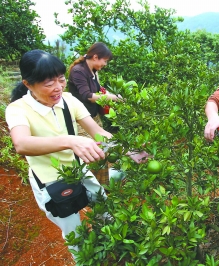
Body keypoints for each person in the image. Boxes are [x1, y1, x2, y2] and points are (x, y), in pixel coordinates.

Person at [5, 50, 146, 258]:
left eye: (60, 79)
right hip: (51, 183)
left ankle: (114, 252)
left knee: (104, 209)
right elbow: (22, 144)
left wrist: (126, 150)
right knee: (75, 234)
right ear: (28, 84)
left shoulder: (69, 100)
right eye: (48, 83)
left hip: (79, 171)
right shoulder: (18, 109)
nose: (58, 87)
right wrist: (70, 141)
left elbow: (98, 133)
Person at [67, 42, 120, 133]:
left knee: (103, 144)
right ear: (95, 57)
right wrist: (114, 98)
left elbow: (97, 89)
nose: (105, 64)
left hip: (95, 117)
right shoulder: (78, 71)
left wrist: (107, 94)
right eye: (105, 60)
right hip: (82, 122)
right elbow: (88, 96)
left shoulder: (94, 71)